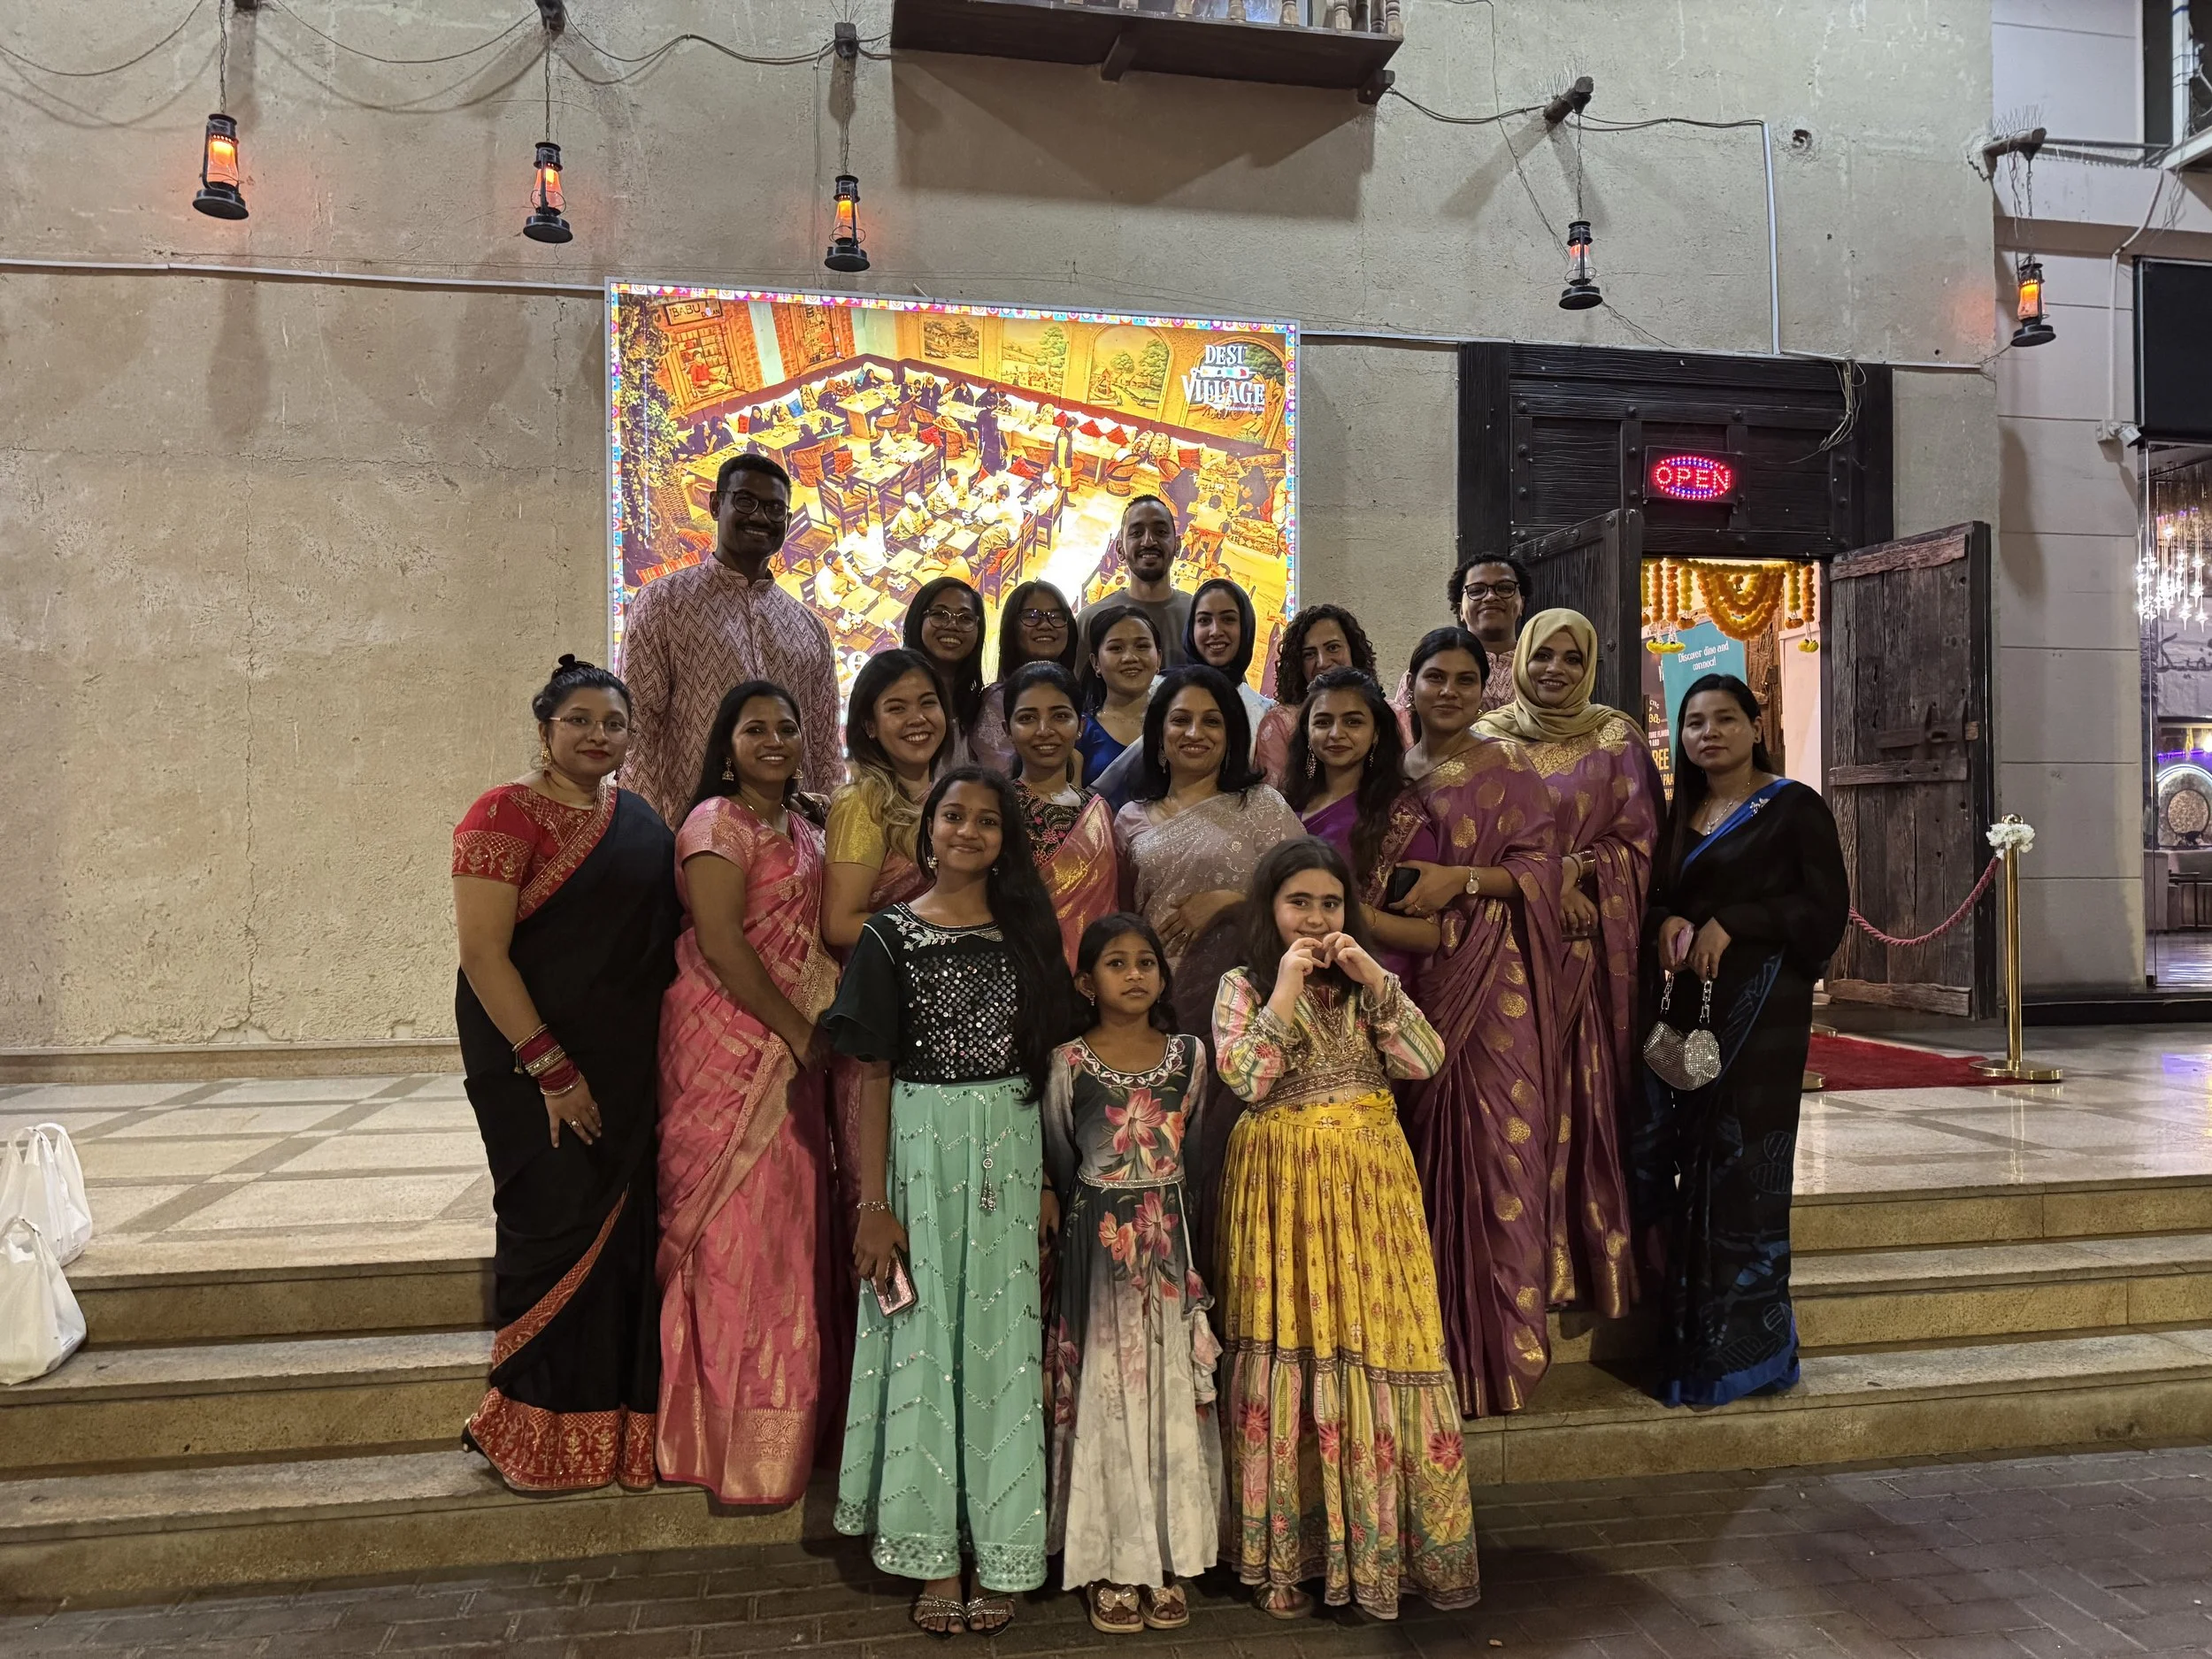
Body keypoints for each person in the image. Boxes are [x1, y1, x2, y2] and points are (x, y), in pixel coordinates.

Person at [826, 769, 1081, 1637]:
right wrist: (872, 1204)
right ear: (926, 829)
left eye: (985, 820)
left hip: (1009, 1154)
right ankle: (930, 1553)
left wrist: (1050, 1177)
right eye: (951, 815)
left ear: (1005, 838)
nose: (967, 830)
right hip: (917, 1156)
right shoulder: (888, 937)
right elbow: (870, 1071)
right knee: (923, 1340)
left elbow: (1050, 1067)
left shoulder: (1028, 934)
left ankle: (1002, 1547)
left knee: (1004, 1347)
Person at [1211, 839, 1477, 1620]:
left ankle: (1383, 1550)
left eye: (1330, 903)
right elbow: (1246, 1078)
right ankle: (1288, 1559)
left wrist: (1378, 980)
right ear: (1270, 910)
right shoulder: (1243, 984)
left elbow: (1426, 1058)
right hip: (1281, 1191)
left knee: (1382, 1344)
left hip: (1371, 1188)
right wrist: (1286, 987)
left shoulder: (1369, 989)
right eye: (1300, 902)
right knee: (1290, 1346)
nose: (1317, 918)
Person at [451, 656, 680, 1492]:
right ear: (545, 728)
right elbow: (482, 953)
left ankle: (616, 1431)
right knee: (549, 1225)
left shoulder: (642, 819)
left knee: (625, 1249)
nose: (597, 735)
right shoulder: (503, 813)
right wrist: (552, 1072)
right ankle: (531, 1430)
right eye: (579, 719)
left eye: (613, 723)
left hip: (629, 1070)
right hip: (529, 1066)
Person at [1634, 675, 1847, 1408]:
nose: (1709, 733)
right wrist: (1665, 918)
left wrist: (1738, 920)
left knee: (1743, 1168)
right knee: (1689, 1169)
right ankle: (1693, 1348)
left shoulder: (1792, 807)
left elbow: (1823, 908)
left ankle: (1752, 1352)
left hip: (1763, 1017)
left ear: (1755, 727)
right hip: (1691, 1012)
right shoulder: (1682, 811)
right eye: (1695, 722)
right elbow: (1659, 892)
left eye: (1725, 719)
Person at [655, 681, 839, 1504]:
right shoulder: (713, 826)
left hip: (794, 1059)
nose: (772, 739)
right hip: (724, 1045)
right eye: (753, 728)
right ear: (725, 746)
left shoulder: (807, 828)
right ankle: (718, 1440)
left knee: (787, 1232)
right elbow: (724, 946)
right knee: (728, 1233)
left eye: (786, 726)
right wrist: (798, 1033)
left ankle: (787, 1433)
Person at [1387, 626, 1565, 1418]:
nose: (1450, 691)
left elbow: (1542, 872)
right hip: (1418, 985)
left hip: (1496, 987)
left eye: (1465, 678)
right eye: (1436, 677)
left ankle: (1503, 1349)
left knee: (1503, 1156)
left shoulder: (1509, 768)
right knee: (1428, 1163)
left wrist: (1459, 878)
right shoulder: (1396, 771)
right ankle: (1436, 1350)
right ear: (1412, 683)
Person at [1476, 611, 1660, 1324]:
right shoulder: (1488, 741)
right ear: (1520, 657)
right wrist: (1549, 885)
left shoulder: (1617, 738)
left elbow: (1644, 844)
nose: (1553, 668)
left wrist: (1582, 873)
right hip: (1508, 952)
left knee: (1583, 1102)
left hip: (1584, 957)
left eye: (1569, 656)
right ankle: (1512, 1261)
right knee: (1514, 1106)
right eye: (1542, 654)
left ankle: (1587, 1263)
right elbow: (1474, 839)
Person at [1043, 915, 1221, 1635]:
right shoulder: (1070, 1063)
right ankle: (1111, 1560)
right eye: (1116, 963)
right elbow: (1059, 1154)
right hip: (1097, 1259)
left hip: (1169, 1253)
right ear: (1087, 982)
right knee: (1107, 1396)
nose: (1135, 973)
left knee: (1170, 1391)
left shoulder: (1189, 1057)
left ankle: (1169, 1550)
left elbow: (1198, 1150)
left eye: (1147, 961)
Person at [622, 455, 843, 820]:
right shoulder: (664, 603)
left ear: (787, 522)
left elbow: (823, 747)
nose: (759, 517)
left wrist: (831, 831)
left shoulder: (810, 628)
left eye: (774, 509)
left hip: (789, 844)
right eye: (745, 501)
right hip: (689, 835)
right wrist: (645, 837)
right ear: (715, 504)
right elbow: (638, 729)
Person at [1281, 666, 1442, 986]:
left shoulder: (1400, 819)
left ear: (1376, 733)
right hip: (1296, 979)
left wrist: (1349, 913)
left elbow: (1427, 935)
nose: (1336, 733)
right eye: (1323, 722)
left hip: (1370, 987)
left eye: (1353, 722)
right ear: (1307, 733)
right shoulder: (1286, 807)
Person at [1089, 576, 1267, 810]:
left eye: (1228, 619)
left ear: (1246, 627)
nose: (1215, 631)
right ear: (1191, 629)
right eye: (1204, 620)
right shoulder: (1157, 689)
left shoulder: (1263, 710)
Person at [1005, 662, 1120, 968]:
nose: (1045, 731)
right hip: (1019, 974)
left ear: (1080, 725)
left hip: (1095, 980)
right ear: (1007, 729)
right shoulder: (996, 808)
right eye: (1028, 718)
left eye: (1060, 716)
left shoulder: (1098, 809)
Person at [1254, 604, 1382, 787]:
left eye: (1333, 648)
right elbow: (1273, 803)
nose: (1322, 662)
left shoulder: (1391, 714)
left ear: (1353, 650)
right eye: (1309, 654)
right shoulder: (1281, 723)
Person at [972, 580, 1080, 774]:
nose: (1046, 625)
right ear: (1012, 628)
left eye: (1056, 616)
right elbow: (998, 777)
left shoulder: (1081, 694)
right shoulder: (997, 701)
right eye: (1032, 616)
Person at [1076, 497, 1193, 668]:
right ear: (1119, 550)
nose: (1148, 541)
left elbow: (1233, 690)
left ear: (1177, 545)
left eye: (1160, 532)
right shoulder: (1090, 622)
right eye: (1136, 533)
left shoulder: (1200, 618)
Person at [902, 576, 988, 768]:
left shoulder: (980, 705)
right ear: (919, 619)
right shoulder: (894, 691)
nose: (952, 625)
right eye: (940, 614)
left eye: (965, 618)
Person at [1078, 604, 1164, 785]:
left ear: (1159, 659)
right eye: (1116, 648)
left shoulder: (1178, 724)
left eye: (1142, 646)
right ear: (1096, 663)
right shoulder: (1080, 730)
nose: (1130, 658)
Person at [1451, 555, 1532, 712]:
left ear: (1521, 604)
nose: (1491, 597)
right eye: (1476, 590)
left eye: (1505, 588)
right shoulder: (1433, 669)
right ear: (1461, 609)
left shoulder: (1543, 668)